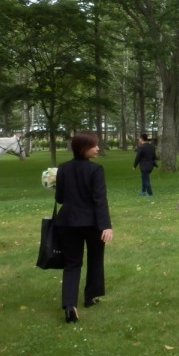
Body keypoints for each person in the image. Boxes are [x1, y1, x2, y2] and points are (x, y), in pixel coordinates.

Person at [55, 131, 114, 323]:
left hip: (67, 222)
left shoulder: (62, 169)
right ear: (82, 148)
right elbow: (100, 200)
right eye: (94, 145)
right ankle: (90, 297)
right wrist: (106, 226)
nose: (98, 148)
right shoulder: (96, 170)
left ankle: (70, 304)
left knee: (72, 263)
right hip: (91, 223)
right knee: (95, 259)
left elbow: (60, 198)